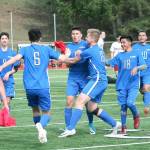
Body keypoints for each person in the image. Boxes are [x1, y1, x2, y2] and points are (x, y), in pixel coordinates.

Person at [0, 28, 70, 143]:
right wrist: (67, 52)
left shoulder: (25, 50)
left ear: (29, 38)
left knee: (35, 109)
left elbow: (15, 59)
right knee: (47, 113)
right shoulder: (46, 49)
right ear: (40, 37)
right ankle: (41, 127)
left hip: (29, 87)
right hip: (43, 86)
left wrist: (2, 67)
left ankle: (40, 129)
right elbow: (63, 59)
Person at [58, 28, 121, 138]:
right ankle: (115, 124)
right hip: (100, 80)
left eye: (87, 36)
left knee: (79, 101)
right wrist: (78, 53)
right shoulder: (97, 49)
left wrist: (64, 57)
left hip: (97, 80)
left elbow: (73, 61)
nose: (85, 38)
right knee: (92, 108)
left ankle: (70, 128)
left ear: (91, 39)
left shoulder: (90, 50)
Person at [108, 36, 146, 134]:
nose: (122, 44)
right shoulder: (119, 55)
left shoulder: (137, 53)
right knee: (123, 106)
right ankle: (123, 127)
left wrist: (136, 68)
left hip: (133, 84)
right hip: (121, 85)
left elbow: (144, 65)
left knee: (130, 103)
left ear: (129, 43)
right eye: (121, 43)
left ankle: (136, 115)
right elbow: (109, 63)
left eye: (124, 42)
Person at [64, 27, 96, 135]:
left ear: (81, 35)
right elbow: (67, 64)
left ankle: (91, 124)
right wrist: (68, 58)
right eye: (73, 34)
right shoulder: (69, 47)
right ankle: (68, 127)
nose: (75, 36)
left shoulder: (86, 44)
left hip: (86, 78)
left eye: (77, 33)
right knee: (69, 102)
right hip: (73, 78)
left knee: (87, 104)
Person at [0, 32, 20, 110]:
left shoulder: (13, 53)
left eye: (6, 38)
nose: (4, 40)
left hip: (9, 81)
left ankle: (5, 120)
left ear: (8, 40)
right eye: (2, 38)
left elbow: (16, 68)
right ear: (0, 40)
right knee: (3, 102)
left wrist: (8, 73)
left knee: (7, 102)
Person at [132, 31, 150, 115]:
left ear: (146, 37)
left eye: (143, 35)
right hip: (137, 73)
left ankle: (147, 107)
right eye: (140, 35)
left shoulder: (149, 47)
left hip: (147, 72)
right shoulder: (134, 47)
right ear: (138, 37)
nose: (141, 37)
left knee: (146, 88)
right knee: (142, 91)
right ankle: (145, 96)